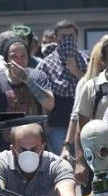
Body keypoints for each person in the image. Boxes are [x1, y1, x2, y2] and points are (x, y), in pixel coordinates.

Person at [65, 36, 108, 183]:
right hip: (101, 159)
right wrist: (80, 161)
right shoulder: (91, 87)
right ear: (103, 60)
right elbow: (81, 129)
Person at [37, 20, 89, 153]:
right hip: (58, 125)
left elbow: (92, 86)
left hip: (84, 122)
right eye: (63, 36)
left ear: (76, 37)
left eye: (71, 36)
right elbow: (42, 96)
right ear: (56, 38)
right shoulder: (46, 64)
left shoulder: (86, 59)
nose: (67, 39)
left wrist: (76, 71)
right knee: (62, 162)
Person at [0, 124, 75, 196]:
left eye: (34, 149)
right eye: (23, 150)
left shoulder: (58, 166)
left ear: (42, 148)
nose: (29, 154)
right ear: (13, 150)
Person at [0, 35, 54, 123]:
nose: (19, 61)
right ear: (7, 59)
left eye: (23, 56)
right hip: (6, 135)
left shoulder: (38, 76)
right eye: (14, 56)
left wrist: (28, 81)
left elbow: (50, 104)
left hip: (34, 134)